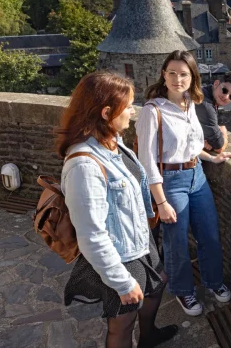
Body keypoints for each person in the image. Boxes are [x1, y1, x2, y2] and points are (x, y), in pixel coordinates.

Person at [57, 72, 177, 348]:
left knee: (156, 287)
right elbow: (91, 235)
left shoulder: (112, 142)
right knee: (122, 324)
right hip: (121, 255)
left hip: (139, 241)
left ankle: (148, 337)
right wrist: (122, 283)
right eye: (129, 105)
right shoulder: (83, 165)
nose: (133, 111)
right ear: (106, 112)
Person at [136, 50, 231, 317]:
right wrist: (161, 201)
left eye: (184, 74)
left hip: (197, 176)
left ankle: (214, 282)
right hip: (170, 182)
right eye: (172, 73)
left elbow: (190, 146)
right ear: (163, 75)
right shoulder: (152, 111)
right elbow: (146, 161)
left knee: (210, 235)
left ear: (192, 76)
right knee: (176, 242)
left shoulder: (193, 103)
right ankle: (183, 290)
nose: (178, 79)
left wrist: (211, 159)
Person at [197, 71, 231, 153]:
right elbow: (219, 147)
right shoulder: (206, 104)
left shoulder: (204, 92)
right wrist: (224, 133)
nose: (226, 97)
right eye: (224, 90)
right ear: (216, 84)